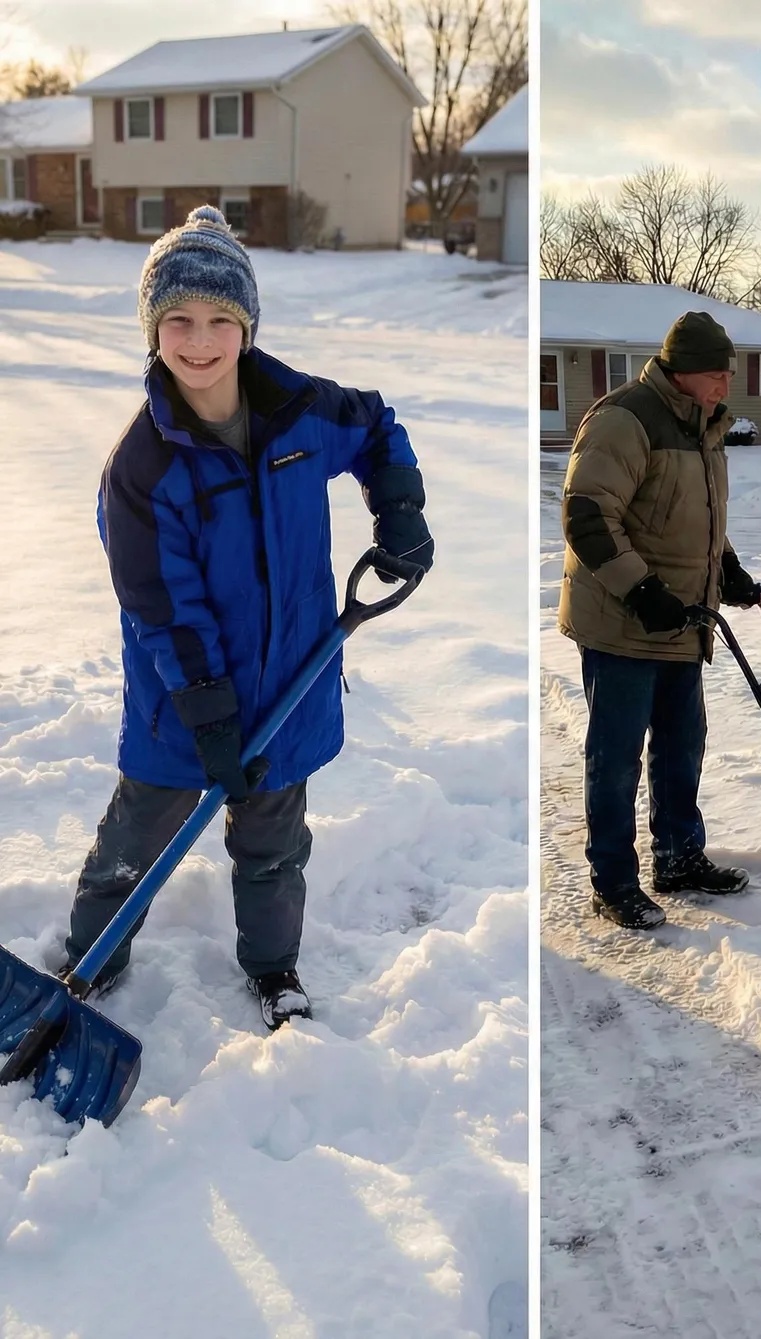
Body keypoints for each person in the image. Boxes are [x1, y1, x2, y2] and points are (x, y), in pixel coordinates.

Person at [62, 205, 434, 1028]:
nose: (199, 341)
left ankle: (273, 969)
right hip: (181, 702)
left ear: (248, 325)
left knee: (273, 846)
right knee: (136, 842)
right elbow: (162, 605)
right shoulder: (142, 468)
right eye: (178, 320)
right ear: (152, 329)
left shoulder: (300, 410)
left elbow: (376, 425)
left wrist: (399, 508)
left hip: (290, 683)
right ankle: (88, 963)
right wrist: (208, 714)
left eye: (220, 319)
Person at [558, 310, 761, 930]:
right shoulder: (626, 419)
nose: (725, 385)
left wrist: (726, 569)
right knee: (616, 756)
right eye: (715, 374)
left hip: (681, 620)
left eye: (729, 374)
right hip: (622, 621)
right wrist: (641, 591)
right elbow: (587, 516)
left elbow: (693, 515)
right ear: (681, 371)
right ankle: (613, 882)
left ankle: (678, 857)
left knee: (681, 745)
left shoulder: (704, 425)